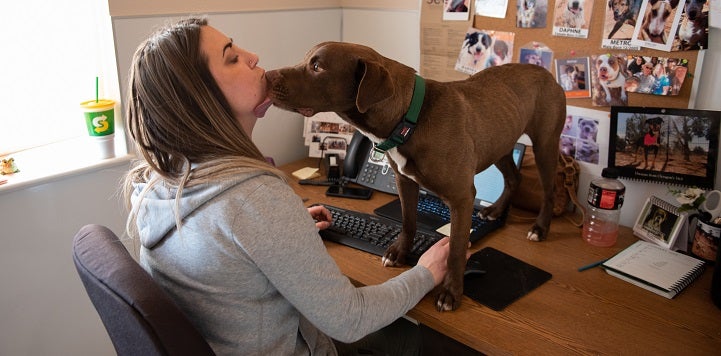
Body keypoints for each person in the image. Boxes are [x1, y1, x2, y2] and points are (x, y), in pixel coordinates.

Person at [122, 16, 456, 356]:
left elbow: (226, 244)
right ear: (198, 99)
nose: (252, 56)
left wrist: (284, 229)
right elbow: (350, 319)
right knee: (433, 339)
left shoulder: (157, 184)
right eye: (232, 57)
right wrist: (425, 273)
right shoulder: (253, 200)